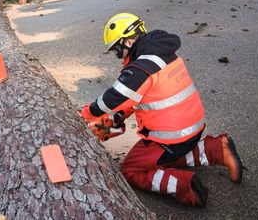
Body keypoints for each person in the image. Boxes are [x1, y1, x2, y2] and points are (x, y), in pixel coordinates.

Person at [80, 13, 243, 207]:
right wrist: (119, 117)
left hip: (170, 138)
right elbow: (143, 97)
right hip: (192, 129)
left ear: (129, 41)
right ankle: (215, 149)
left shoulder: (141, 67)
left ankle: (184, 186)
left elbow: (114, 98)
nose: (118, 55)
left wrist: (84, 114)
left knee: (130, 170)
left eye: (117, 49)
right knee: (164, 157)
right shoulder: (164, 53)